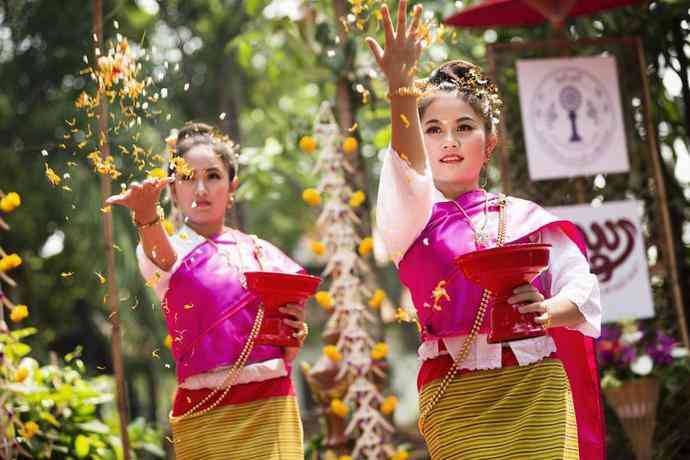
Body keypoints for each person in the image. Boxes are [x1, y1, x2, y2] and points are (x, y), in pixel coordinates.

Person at [366, 2, 605, 459]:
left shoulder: (525, 218)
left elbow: (582, 290)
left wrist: (548, 310)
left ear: (489, 141)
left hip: (538, 389)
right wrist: (400, 87)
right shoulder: (409, 216)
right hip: (455, 395)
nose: (449, 140)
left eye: (464, 127)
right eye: (432, 129)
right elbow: (404, 166)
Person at [106, 122, 308, 459]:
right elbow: (162, 258)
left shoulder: (260, 252)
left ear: (232, 188)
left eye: (213, 176)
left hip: (270, 403)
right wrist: (145, 215)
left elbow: (286, 337)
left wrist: (296, 328)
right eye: (187, 178)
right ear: (173, 191)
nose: (201, 188)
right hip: (205, 411)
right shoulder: (167, 249)